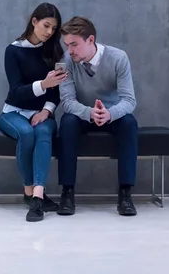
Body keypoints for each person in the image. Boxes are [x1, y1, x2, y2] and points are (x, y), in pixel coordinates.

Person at [57, 16, 139, 216]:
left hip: (111, 114)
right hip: (82, 115)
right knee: (67, 122)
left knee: (129, 123)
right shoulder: (65, 62)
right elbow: (67, 101)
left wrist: (109, 114)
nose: (70, 50)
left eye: (74, 44)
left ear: (91, 40)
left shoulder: (118, 58)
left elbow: (129, 100)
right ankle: (67, 192)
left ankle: (125, 193)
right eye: (67, 45)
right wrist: (89, 113)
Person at [0, 2, 67, 222]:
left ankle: (37, 197)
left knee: (43, 132)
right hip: (13, 113)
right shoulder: (13, 51)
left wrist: (46, 111)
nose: (49, 32)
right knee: (26, 133)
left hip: (42, 113)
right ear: (34, 21)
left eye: (54, 28)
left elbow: (56, 92)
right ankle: (28, 191)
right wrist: (43, 85)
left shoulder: (54, 51)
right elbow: (16, 92)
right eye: (46, 25)